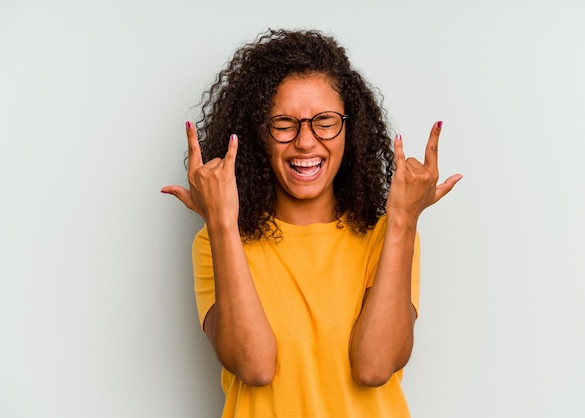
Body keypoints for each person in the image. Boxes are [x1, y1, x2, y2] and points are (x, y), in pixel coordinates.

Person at [162, 29, 461, 417]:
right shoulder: (218, 240)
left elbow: (374, 367)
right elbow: (254, 366)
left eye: (325, 121)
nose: (306, 142)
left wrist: (403, 219)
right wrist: (221, 224)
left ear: (349, 131)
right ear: (258, 136)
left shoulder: (387, 236)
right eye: (284, 123)